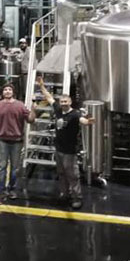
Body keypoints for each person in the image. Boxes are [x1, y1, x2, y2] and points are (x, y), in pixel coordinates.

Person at [37, 76, 94, 209]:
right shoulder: (58, 110)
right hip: (59, 149)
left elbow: (84, 121)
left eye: (65, 101)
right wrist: (41, 86)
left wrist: (89, 120)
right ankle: (65, 194)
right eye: (62, 101)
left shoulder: (75, 114)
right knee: (61, 174)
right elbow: (49, 97)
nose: (63, 103)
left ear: (70, 102)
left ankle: (76, 197)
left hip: (70, 151)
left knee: (72, 175)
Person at [0, 82, 36, 201]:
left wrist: (33, 109)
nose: (7, 91)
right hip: (2, 141)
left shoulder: (20, 105)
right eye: (5, 89)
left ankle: (12, 189)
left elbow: (30, 120)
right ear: (2, 92)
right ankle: (1, 190)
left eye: (9, 89)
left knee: (15, 168)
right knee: (2, 167)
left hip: (17, 141)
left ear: (13, 92)